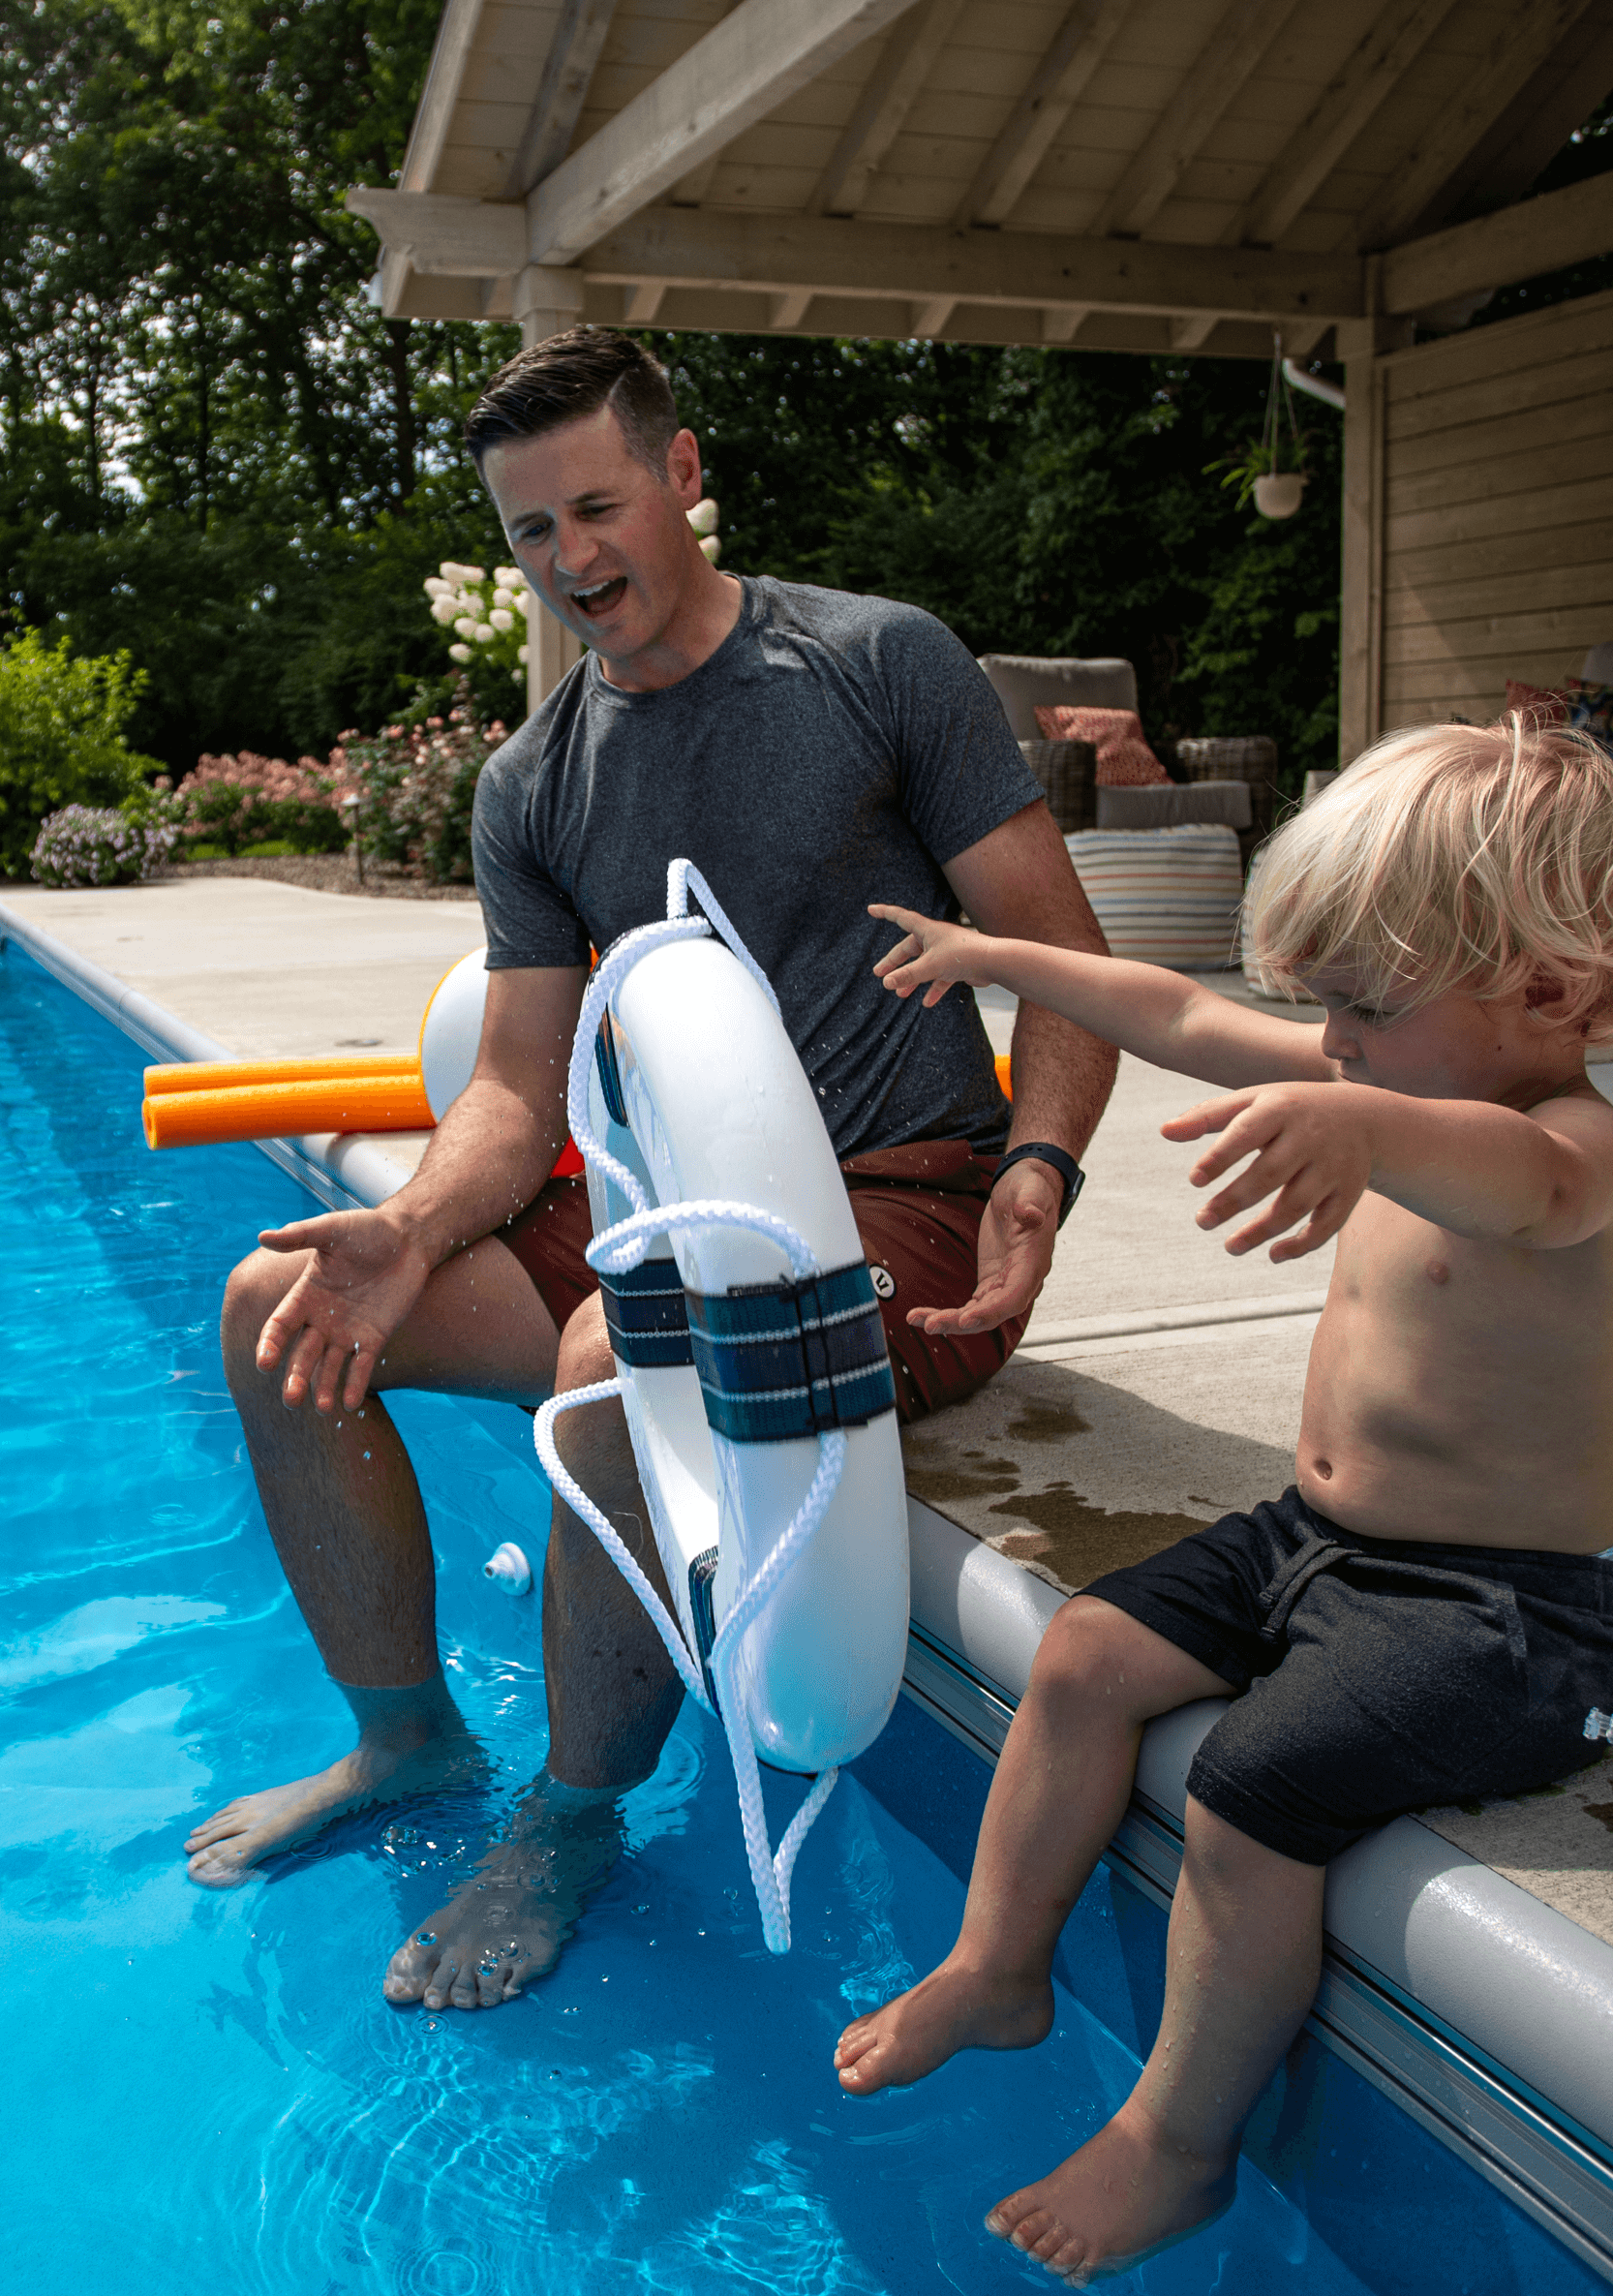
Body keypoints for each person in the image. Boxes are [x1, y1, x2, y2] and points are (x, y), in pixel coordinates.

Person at [179, 327, 1118, 2011]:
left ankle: (574, 1809)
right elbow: (515, 1087)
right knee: (279, 1306)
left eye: (597, 508)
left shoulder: (878, 663)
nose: (571, 560)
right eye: (531, 532)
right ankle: (402, 1740)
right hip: (654, 1196)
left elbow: (1057, 954)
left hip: (901, 1201)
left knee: (625, 1351)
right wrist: (401, 1227)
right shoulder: (533, 781)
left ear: (683, 473)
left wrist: (1038, 1164)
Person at [830, 714, 1613, 2282]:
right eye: (1325, 1014)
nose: (1330, 1045)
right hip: (1318, 1543)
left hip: (1507, 1616)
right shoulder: (1385, 1061)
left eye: (1364, 1008)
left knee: (1251, 1789)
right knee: (1081, 1654)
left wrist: (1363, 1124)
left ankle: (1180, 2138)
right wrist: (995, 949)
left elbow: (1501, 1176)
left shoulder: (1583, 1154)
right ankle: (999, 1962)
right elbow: (1173, 1010)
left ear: (1546, 993)